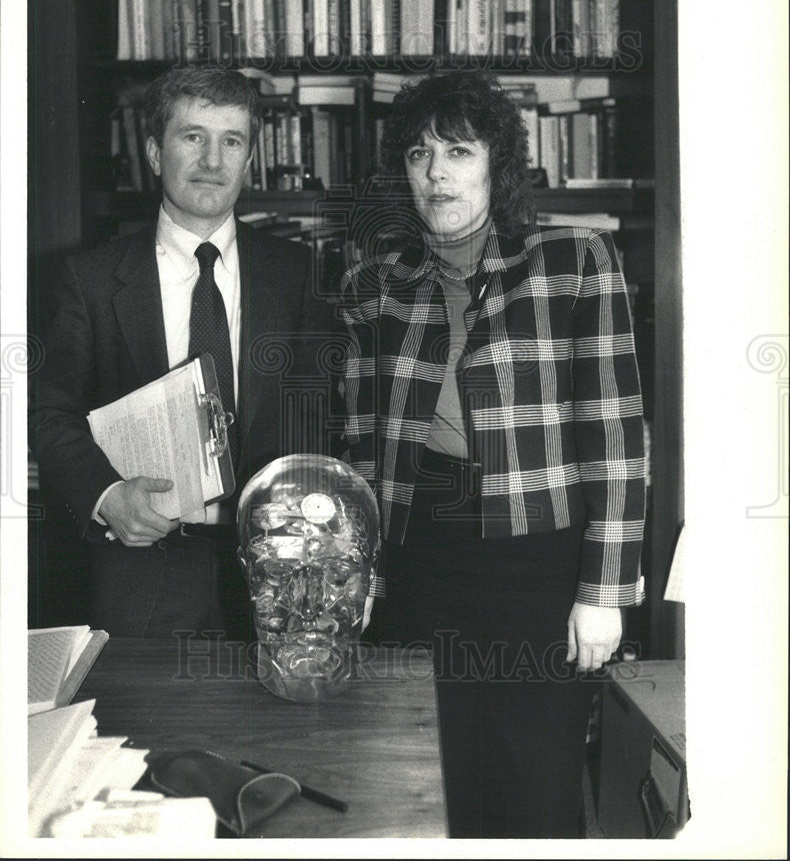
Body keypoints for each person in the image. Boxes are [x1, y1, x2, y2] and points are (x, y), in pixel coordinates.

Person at [340, 70, 646, 838]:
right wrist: (359, 577)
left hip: (538, 564)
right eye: (418, 154)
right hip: (420, 560)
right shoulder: (378, 283)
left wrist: (605, 589)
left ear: (497, 165)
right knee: (432, 786)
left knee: (536, 792)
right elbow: (359, 443)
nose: (436, 172)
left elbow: (614, 429)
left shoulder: (576, 259)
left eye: (459, 150)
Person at [30, 65, 342, 640]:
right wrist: (104, 495)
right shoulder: (90, 279)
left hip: (275, 570)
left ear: (249, 159)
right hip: (141, 570)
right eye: (192, 137)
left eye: (232, 141)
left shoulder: (295, 273)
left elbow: (317, 416)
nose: (213, 161)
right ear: (154, 152)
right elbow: (48, 414)